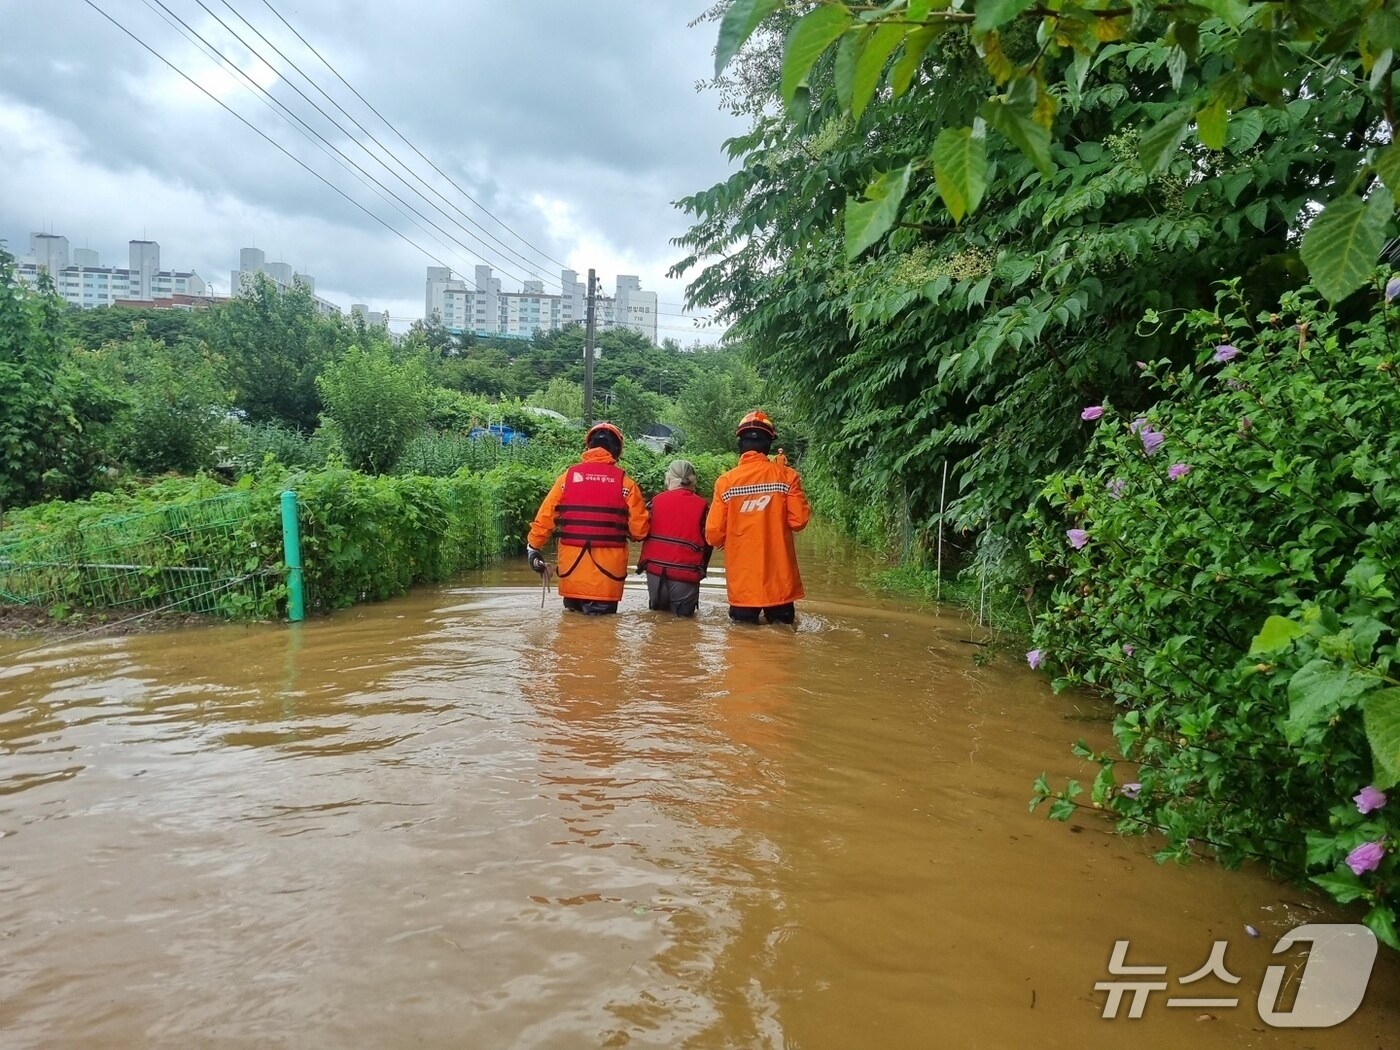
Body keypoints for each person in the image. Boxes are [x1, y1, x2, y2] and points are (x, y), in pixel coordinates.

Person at [526, 421, 649, 615]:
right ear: (617, 450)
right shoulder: (626, 484)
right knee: (603, 637)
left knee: (570, 635)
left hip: (572, 575)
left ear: (589, 447)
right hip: (607, 579)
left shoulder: (567, 478)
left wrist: (533, 547)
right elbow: (640, 531)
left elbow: (545, 516)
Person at [705, 410, 812, 624]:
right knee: (783, 638)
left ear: (740, 444)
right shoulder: (788, 477)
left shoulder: (726, 482)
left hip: (744, 583)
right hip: (780, 582)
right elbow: (798, 521)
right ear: (769, 445)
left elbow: (713, 534)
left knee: (743, 641)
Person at [637, 458, 711, 617]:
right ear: (693, 480)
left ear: (668, 478)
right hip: (685, 576)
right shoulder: (703, 506)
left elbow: (640, 531)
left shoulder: (654, 503)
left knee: (657, 624)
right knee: (685, 628)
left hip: (655, 575)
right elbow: (711, 538)